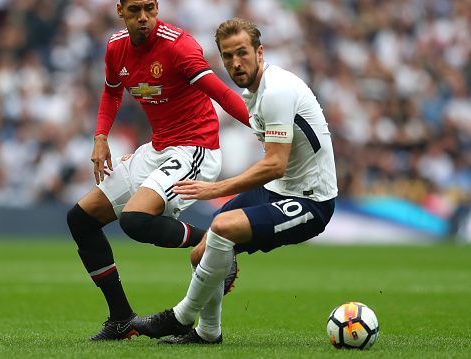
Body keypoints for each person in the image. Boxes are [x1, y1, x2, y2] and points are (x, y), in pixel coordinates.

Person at [65, 0, 250, 341]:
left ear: (158, 7)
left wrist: (268, 133)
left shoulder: (179, 47)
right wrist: (101, 136)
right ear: (120, 10)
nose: (144, 17)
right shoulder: (116, 47)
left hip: (196, 148)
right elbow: (111, 92)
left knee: (134, 220)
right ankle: (120, 318)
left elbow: (223, 95)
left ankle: (218, 244)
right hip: (160, 148)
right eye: (135, 10)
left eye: (150, 8)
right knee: (80, 220)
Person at [133, 18, 338, 344]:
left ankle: (181, 316)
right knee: (200, 253)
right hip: (276, 191)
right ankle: (208, 333)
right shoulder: (251, 94)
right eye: (227, 56)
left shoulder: (276, 92)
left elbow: (275, 165)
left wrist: (213, 189)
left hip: (310, 201)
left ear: (260, 52)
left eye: (242, 53)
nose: (235, 62)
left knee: (223, 228)